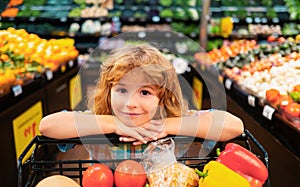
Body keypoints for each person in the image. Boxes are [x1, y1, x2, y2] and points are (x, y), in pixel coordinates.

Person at [39, 44, 244, 147]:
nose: (131, 103)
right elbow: (48, 126)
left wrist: (165, 127)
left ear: (162, 97)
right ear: (108, 92)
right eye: (121, 90)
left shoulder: (173, 120)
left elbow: (233, 126)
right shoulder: (99, 120)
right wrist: (113, 124)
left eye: (145, 92)